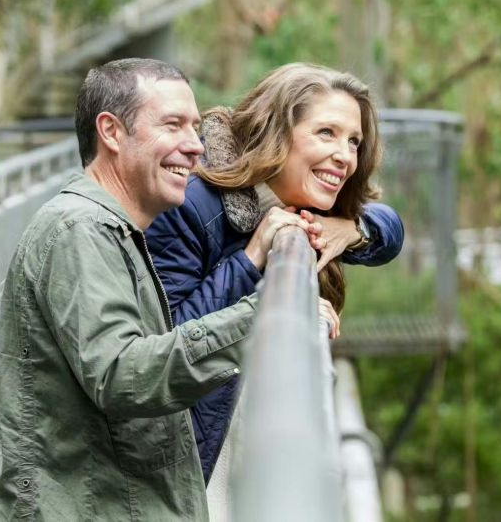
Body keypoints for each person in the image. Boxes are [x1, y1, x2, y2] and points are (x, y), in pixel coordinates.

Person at [0, 58, 260, 521]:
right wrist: (260, 319)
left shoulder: (110, 230)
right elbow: (121, 373)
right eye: (172, 125)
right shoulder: (80, 230)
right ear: (111, 132)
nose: (195, 146)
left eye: (195, 127)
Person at [144, 62, 405, 484]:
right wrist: (252, 260)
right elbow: (163, 345)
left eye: (354, 141)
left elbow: (391, 229)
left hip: (247, 434)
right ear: (277, 131)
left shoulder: (307, 202)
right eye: (326, 133)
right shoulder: (191, 203)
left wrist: (354, 229)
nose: (345, 156)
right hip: (181, 455)